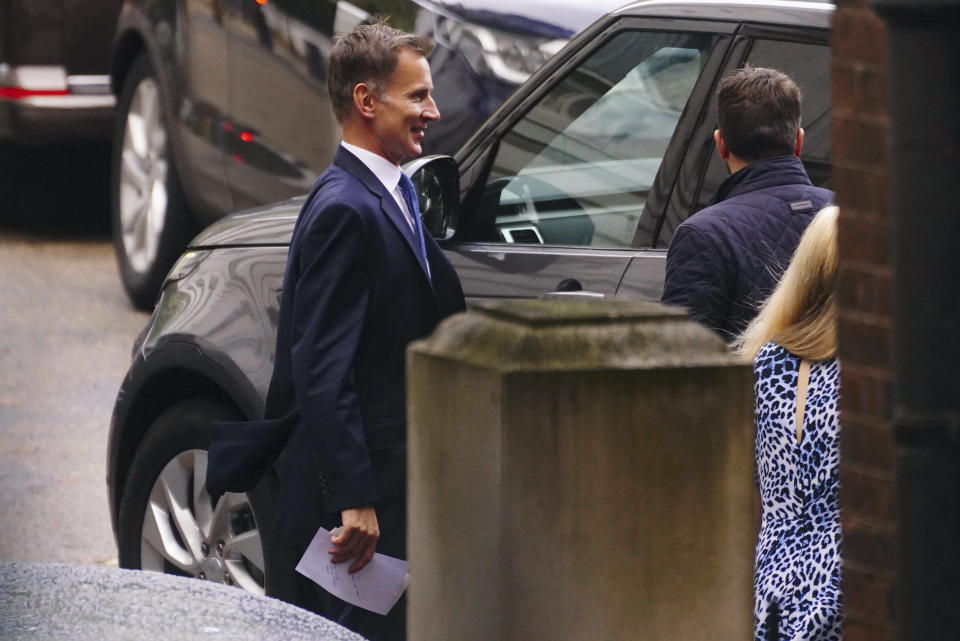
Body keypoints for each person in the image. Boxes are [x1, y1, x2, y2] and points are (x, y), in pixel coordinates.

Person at [205, 20, 465, 641]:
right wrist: (356, 498)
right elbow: (323, 366)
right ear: (367, 102)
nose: (433, 110)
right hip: (359, 506)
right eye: (418, 96)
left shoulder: (394, 190)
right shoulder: (344, 209)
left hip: (396, 481)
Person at [733, 205, 843, 641]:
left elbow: (754, 494)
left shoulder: (765, 360)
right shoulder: (876, 371)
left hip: (772, 582)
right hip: (844, 584)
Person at [661, 66, 833, 341]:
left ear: (721, 145)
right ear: (799, 141)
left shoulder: (703, 235)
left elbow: (685, 361)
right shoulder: (845, 217)